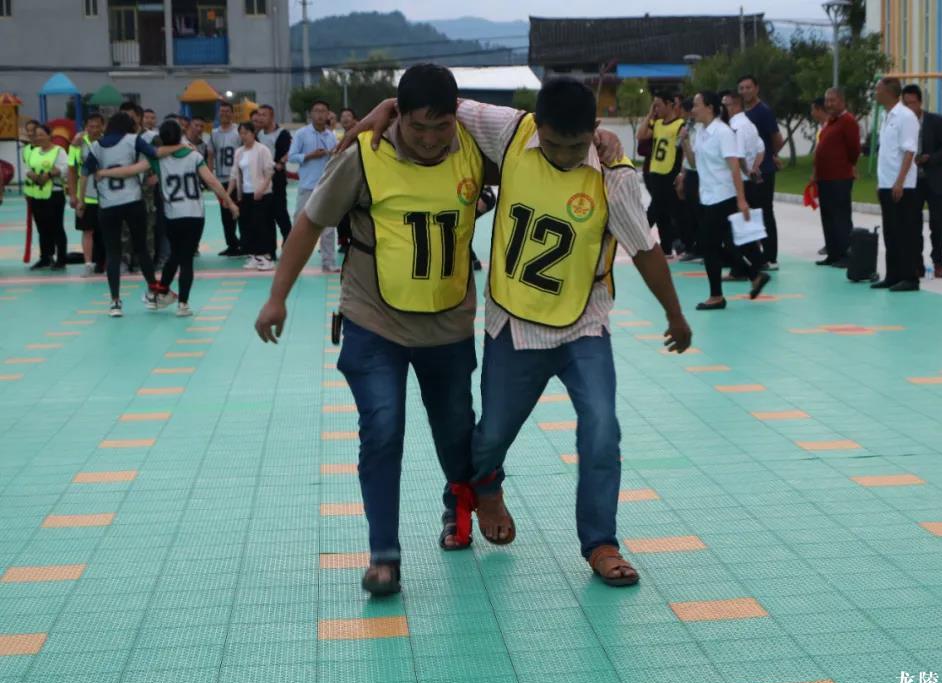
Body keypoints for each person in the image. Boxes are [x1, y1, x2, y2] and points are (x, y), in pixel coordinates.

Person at [352, 75, 694, 588]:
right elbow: (441, 105)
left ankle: (601, 543)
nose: (562, 155)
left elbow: (644, 250)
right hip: (513, 322)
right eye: (553, 143)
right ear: (538, 126)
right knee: (490, 437)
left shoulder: (613, 176)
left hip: (583, 326)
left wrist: (675, 314)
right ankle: (479, 487)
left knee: (602, 428)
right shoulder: (511, 130)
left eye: (575, 146)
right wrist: (386, 107)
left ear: (594, 130)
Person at [255, 64, 491, 596]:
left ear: (456, 118)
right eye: (417, 127)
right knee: (382, 428)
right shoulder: (366, 156)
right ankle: (384, 554)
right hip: (372, 320)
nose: (429, 139)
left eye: (440, 127)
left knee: (456, 429)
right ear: (397, 116)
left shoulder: (476, 152)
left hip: (447, 322)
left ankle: (459, 505)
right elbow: (310, 222)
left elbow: (541, 152)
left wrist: (598, 142)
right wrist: (277, 297)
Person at [100, 120, 240, 317]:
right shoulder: (193, 155)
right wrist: (229, 202)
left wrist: (104, 172)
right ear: (180, 135)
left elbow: (130, 171)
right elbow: (211, 181)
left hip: (173, 215)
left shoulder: (157, 160)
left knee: (176, 254)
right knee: (186, 259)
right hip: (195, 214)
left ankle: (161, 292)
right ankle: (182, 304)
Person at [683, 91, 767, 310]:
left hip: (724, 195)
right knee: (715, 245)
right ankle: (754, 275)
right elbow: (695, 163)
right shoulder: (701, 132)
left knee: (708, 245)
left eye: (696, 105)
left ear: (710, 107)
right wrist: (685, 142)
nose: (693, 110)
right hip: (707, 196)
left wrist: (742, 200)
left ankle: (717, 295)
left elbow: (735, 168)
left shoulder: (723, 132)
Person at [80, 112, 168, 316]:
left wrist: (81, 200)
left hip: (108, 204)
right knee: (142, 248)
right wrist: (178, 147)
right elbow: (155, 153)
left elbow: (84, 174)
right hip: (132, 200)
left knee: (113, 253)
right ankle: (153, 293)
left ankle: (115, 302)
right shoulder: (132, 140)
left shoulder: (96, 146)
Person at [901, 84, 942, 278]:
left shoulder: (937, 121)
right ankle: (917, 264)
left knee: (937, 223)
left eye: (913, 103)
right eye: (906, 104)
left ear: (920, 102)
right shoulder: (902, 123)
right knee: (913, 224)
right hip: (912, 181)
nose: (910, 108)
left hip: (934, 180)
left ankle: (938, 262)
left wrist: (929, 158)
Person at [872, 77, 922, 292]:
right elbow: (887, 153)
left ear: (889, 92)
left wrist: (900, 182)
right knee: (890, 233)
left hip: (902, 186)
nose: (875, 93)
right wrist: (881, 182)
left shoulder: (905, 116)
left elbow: (909, 151)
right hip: (887, 183)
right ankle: (893, 275)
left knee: (904, 233)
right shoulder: (886, 116)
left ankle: (910, 277)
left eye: (878, 89)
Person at [738, 74, 784, 269]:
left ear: (756, 89)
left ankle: (771, 256)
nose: (745, 91)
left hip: (762, 171)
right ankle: (755, 255)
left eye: (748, 87)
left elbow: (777, 139)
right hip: (747, 172)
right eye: (741, 88)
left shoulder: (763, 111)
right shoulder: (742, 114)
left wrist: (771, 155)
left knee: (764, 212)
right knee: (751, 213)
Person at [288, 99, 339, 272]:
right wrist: (309, 155)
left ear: (328, 114)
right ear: (311, 114)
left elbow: (336, 159)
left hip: (326, 187)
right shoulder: (301, 134)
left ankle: (328, 262)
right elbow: (292, 157)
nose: (320, 114)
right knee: (299, 225)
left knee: (328, 228)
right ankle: (293, 264)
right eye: (316, 111)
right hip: (307, 186)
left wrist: (333, 154)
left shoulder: (331, 136)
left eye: (323, 111)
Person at [721, 89, 766, 280]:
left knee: (734, 228)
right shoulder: (750, 125)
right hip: (748, 182)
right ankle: (753, 263)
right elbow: (761, 148)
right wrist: (754, 168)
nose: (724, 108)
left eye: (726, 105)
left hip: (738, 183)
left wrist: (747, 171)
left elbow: (737, 157)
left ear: (735, 105)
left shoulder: (735, 126)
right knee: (745, 227)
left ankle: (742, 268)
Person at [813, 87, 861, 267]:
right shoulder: (830, 122)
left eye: (832, 100)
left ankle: (845, 255)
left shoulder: (848, 121)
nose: (829, 104)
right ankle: (833, 254)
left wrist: (847, 165)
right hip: (825, 178)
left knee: (840, 217)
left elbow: (854, 149)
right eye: (827, 100)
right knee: (828, 217)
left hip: (839, 177)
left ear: (842, 101)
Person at [637, 90, 686, 256]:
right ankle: (666, 247)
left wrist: (681, 173)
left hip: (670, 171)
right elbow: (640, 135)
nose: (656, 109)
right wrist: (650, 114)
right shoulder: (657, 124)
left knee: (667, 209)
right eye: (654, 106)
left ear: (669, 104)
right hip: (655, 171)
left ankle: (643, 235)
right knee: (661, 210)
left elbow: (683, 150)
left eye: (658, 105)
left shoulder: (680, 125)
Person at [228, 121, 276, 271]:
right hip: (245, 194)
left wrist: (261, 189)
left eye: (246, 133)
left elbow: (269, 172)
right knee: (247, 226)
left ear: (253, 133)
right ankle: (254, 256)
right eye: (241, 133)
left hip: (262, 194)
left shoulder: (262, 150)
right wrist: (228, 194)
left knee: (261, 225)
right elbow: (234, 174)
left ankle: (267, 257)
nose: (243, 136)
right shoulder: (239, 152)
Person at [25, 125, 69, 271]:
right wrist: (32, 175)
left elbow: (64, 169)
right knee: (42, 228)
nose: (39, 137)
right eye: (37, 135)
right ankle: (46, 257)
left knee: (56, 227)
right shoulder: (34, 151)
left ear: (50, 135)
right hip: (37, 194)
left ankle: (61, 259)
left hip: (54, 193)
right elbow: (28, 168)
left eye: (42, 134)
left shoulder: (59, 151)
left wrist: (49, 175)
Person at [68, 112, 105, 277]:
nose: (94, 129)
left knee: (105, 232)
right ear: (85, 127)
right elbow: (71, 170)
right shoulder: (77, 144)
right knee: (87, 231)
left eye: (98, 126)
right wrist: (73, 196)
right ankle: (88, 264)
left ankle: (104, 263)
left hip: (105, 196)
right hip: (85, 197)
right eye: (91, 126)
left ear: (103, 127)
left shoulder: (108, 142)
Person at [255, 104, 292, 253]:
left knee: (280, 213)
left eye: (264, 115)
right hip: (262, 180)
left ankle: (289, 244)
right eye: (259, 114)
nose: (260, 118)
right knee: (266, 216)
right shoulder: (258, 135)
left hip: (277, 180)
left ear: (272, 117)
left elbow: (290, 151)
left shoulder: (282, 134)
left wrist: (281, 163)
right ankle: (270, 250)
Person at [208, 103, 243, 256]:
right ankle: (232, 244)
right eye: (222, 111)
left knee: (239, 212)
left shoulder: (238, 132)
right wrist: (210, 176)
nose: (224, 114)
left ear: (232, 114)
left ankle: (244, 243)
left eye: (228, 111)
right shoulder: (214, 133)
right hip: (221, 179)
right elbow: (210, 156)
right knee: (225, 214)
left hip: (236, 178)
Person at [675, 97, 703, 262]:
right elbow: (685, 154)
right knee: (690, 211)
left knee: (699, 212)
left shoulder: (702, 128)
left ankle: (701, 248)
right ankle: (693, 247)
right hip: (690, 172)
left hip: (700, 173)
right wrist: (682, 174)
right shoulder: (689, 127)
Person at [336, 108, 358, 253]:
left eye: (348, 116)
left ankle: (356, 240)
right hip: (343, 179)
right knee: (342, 212)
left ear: (355, 119)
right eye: (342, 116)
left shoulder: (362, 135)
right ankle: (344, 241)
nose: (345, 118)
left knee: (357, 212)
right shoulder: (340, 137)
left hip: (357, 179)